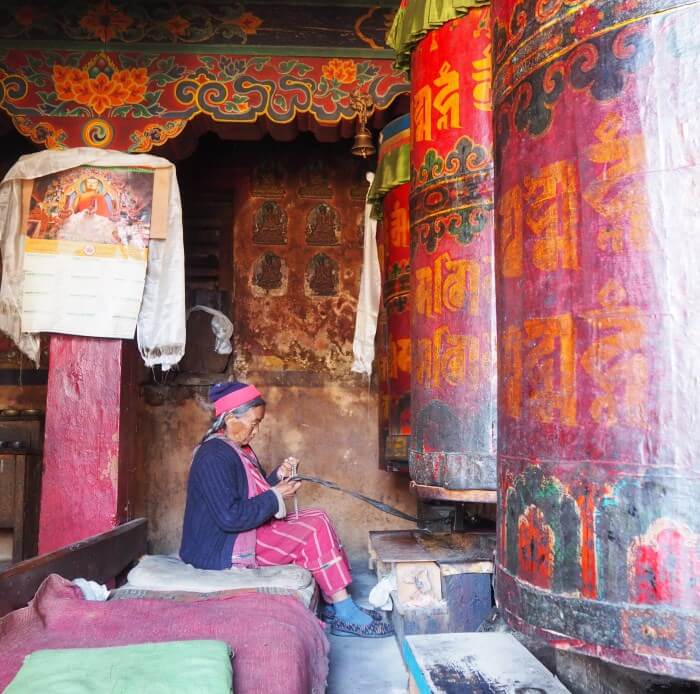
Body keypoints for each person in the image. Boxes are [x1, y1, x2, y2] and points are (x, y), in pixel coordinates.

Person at [180, 381, 394, 638]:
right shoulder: (213, 455)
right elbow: (230, 517)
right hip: (219, 548)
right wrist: (275, 495)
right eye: (253, 422)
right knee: (312, 529)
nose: (256, 430)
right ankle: (345, 612)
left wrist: (276, 479)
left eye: (259, 423)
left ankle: (338, 605)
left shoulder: (237, 449)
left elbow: (251, 494)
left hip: (235, 535)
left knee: (318, 517)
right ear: (229, 417)